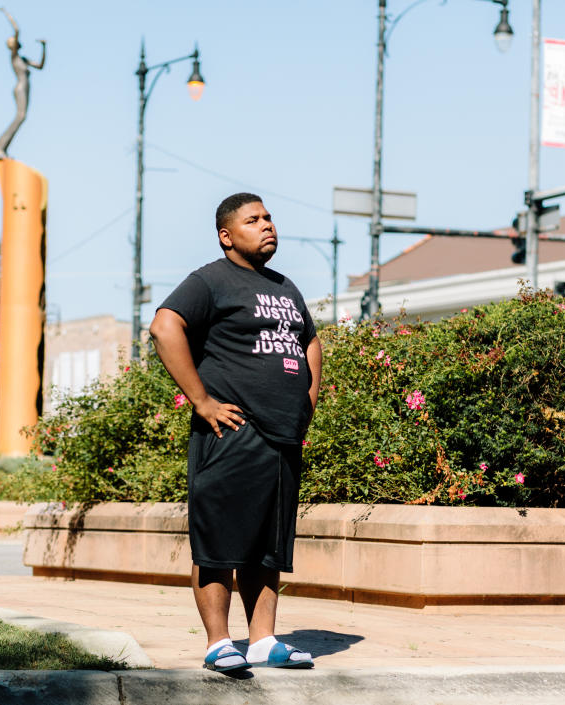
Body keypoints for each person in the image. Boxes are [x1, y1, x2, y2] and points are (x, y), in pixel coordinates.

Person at [149, 193, 322, 673]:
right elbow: (165, 327)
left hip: (282, 434)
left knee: (268, 544)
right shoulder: (211, 280)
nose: (267, 225)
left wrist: (306, 401)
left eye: (268, 217)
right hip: (233, 430)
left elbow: (309, 340)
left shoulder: (285, 287)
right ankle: (218, 642)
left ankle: (263, 640)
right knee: (220, 539)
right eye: (254, 220)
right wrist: (202, 401)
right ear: (227, 235)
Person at [0, 7, 46, 160]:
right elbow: (17, 30)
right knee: (20, 116)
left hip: (26, 87)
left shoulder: (24, 59)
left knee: (22, 117)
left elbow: (40, 66)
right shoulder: (14, 57)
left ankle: (2, 149)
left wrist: (44, 47)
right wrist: (7, 15)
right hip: (20, 87)